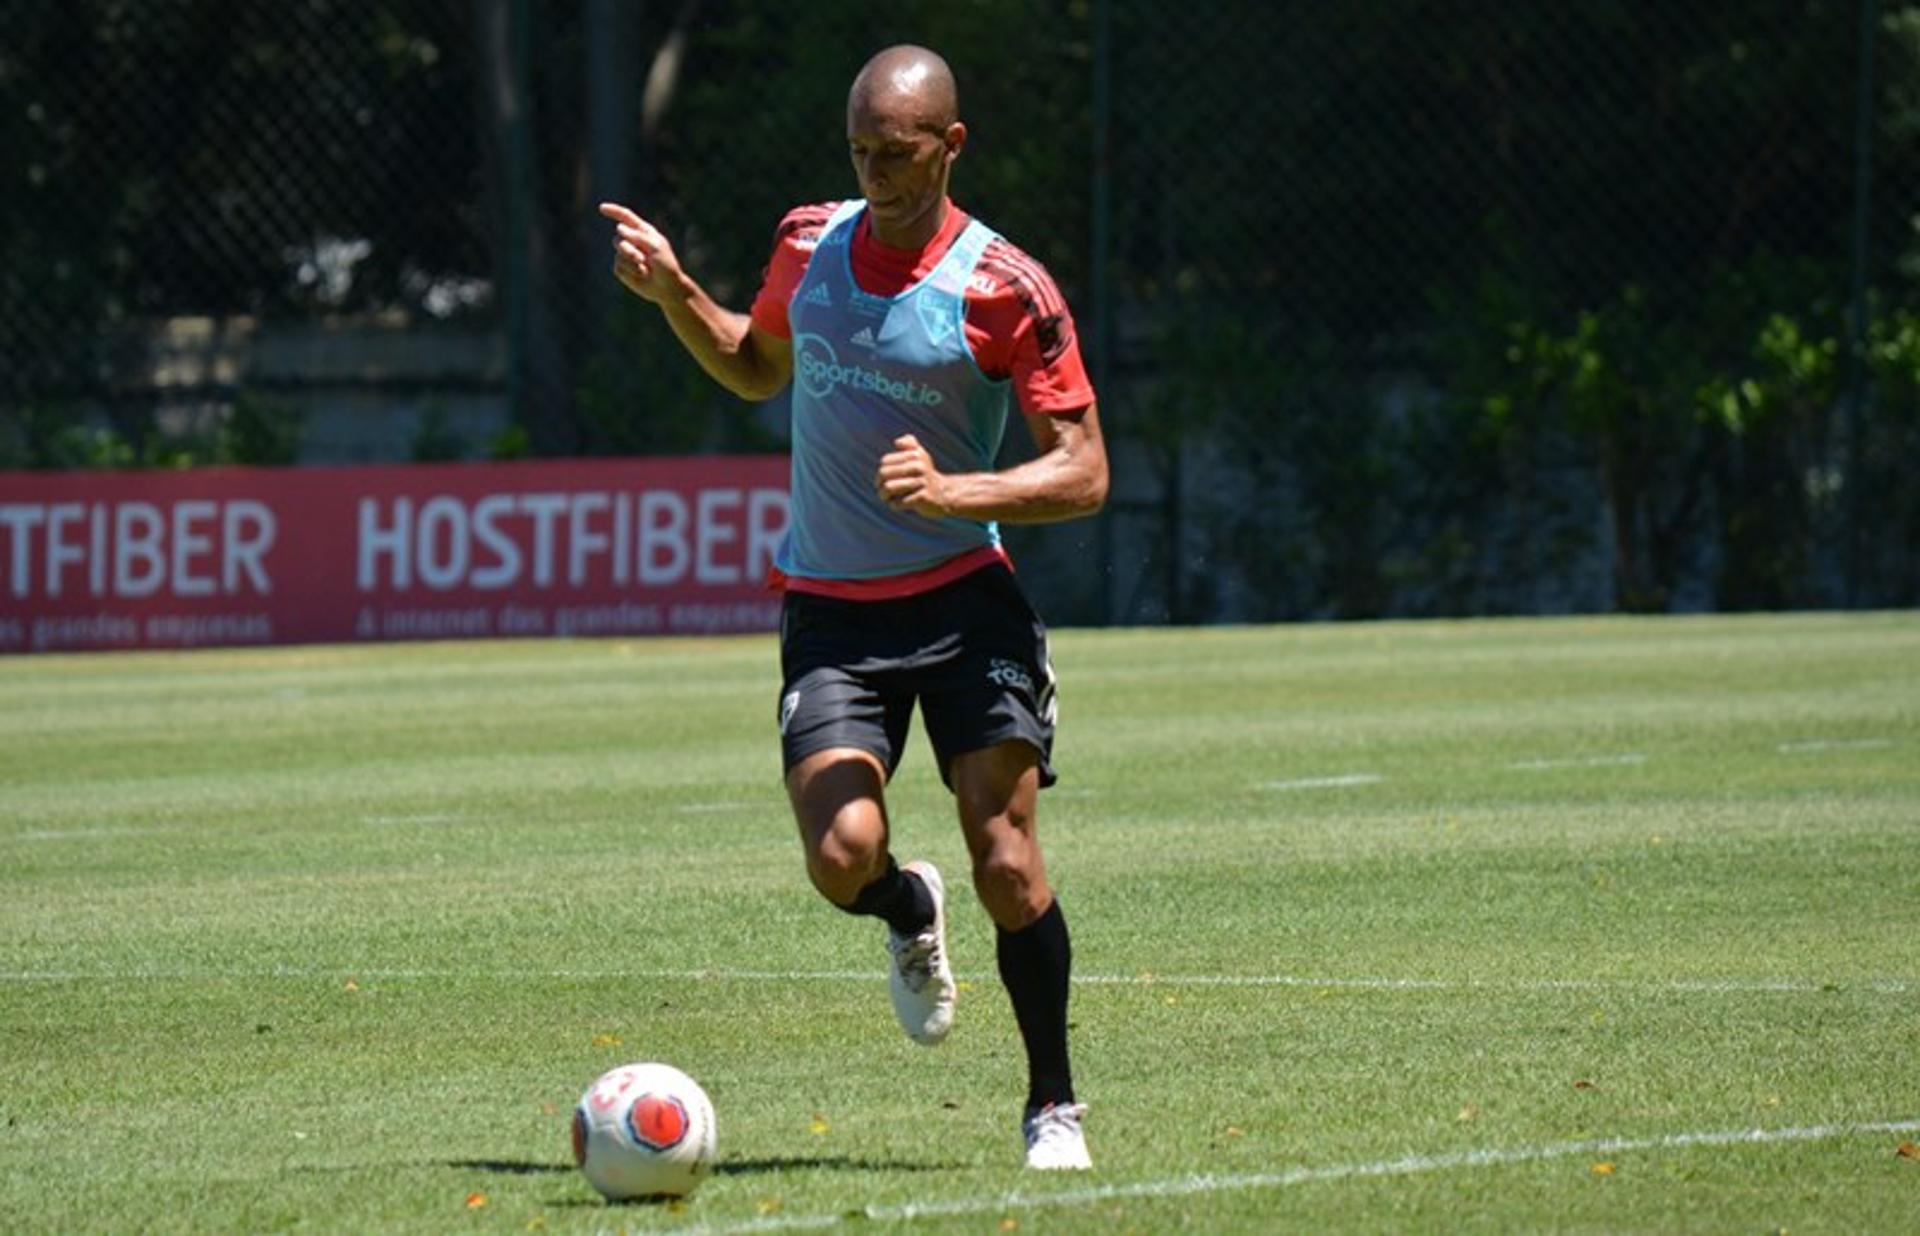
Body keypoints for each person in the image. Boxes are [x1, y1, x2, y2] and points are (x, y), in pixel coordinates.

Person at [598, 43, 1107, 1172]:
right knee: (841, 855)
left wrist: (957, 491)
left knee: (1009, 864)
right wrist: (677, 290)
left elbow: (1083, 471)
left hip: (968, 601)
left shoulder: (1002, 287)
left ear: (952, 145)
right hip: (831, 606)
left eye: (900, 152)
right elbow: (753, 366)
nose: (877, 172)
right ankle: (902, 910)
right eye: (861, 150)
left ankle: (1053, 1108)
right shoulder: (806, 243)